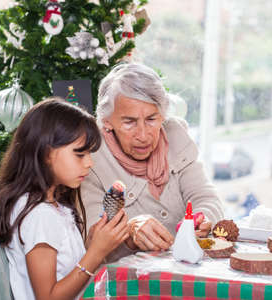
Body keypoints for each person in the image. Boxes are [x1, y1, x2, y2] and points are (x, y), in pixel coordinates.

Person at [81, 63, 224, 262]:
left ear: (163, 115)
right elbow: (93, 244)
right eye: (129, 122)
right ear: (107, 121)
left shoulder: (176, 137)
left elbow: (206, 197)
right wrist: (131, 234)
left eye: (151, 119)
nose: (143, 135)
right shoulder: (91, 161)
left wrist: (202, 218)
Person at [0, 98, 129, 300]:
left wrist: (92, 245)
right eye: (80, 154)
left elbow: (64, 269)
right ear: (46, 152)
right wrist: (96, 253)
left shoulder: (51, 206)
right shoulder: (39, 215)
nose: (89, 163)